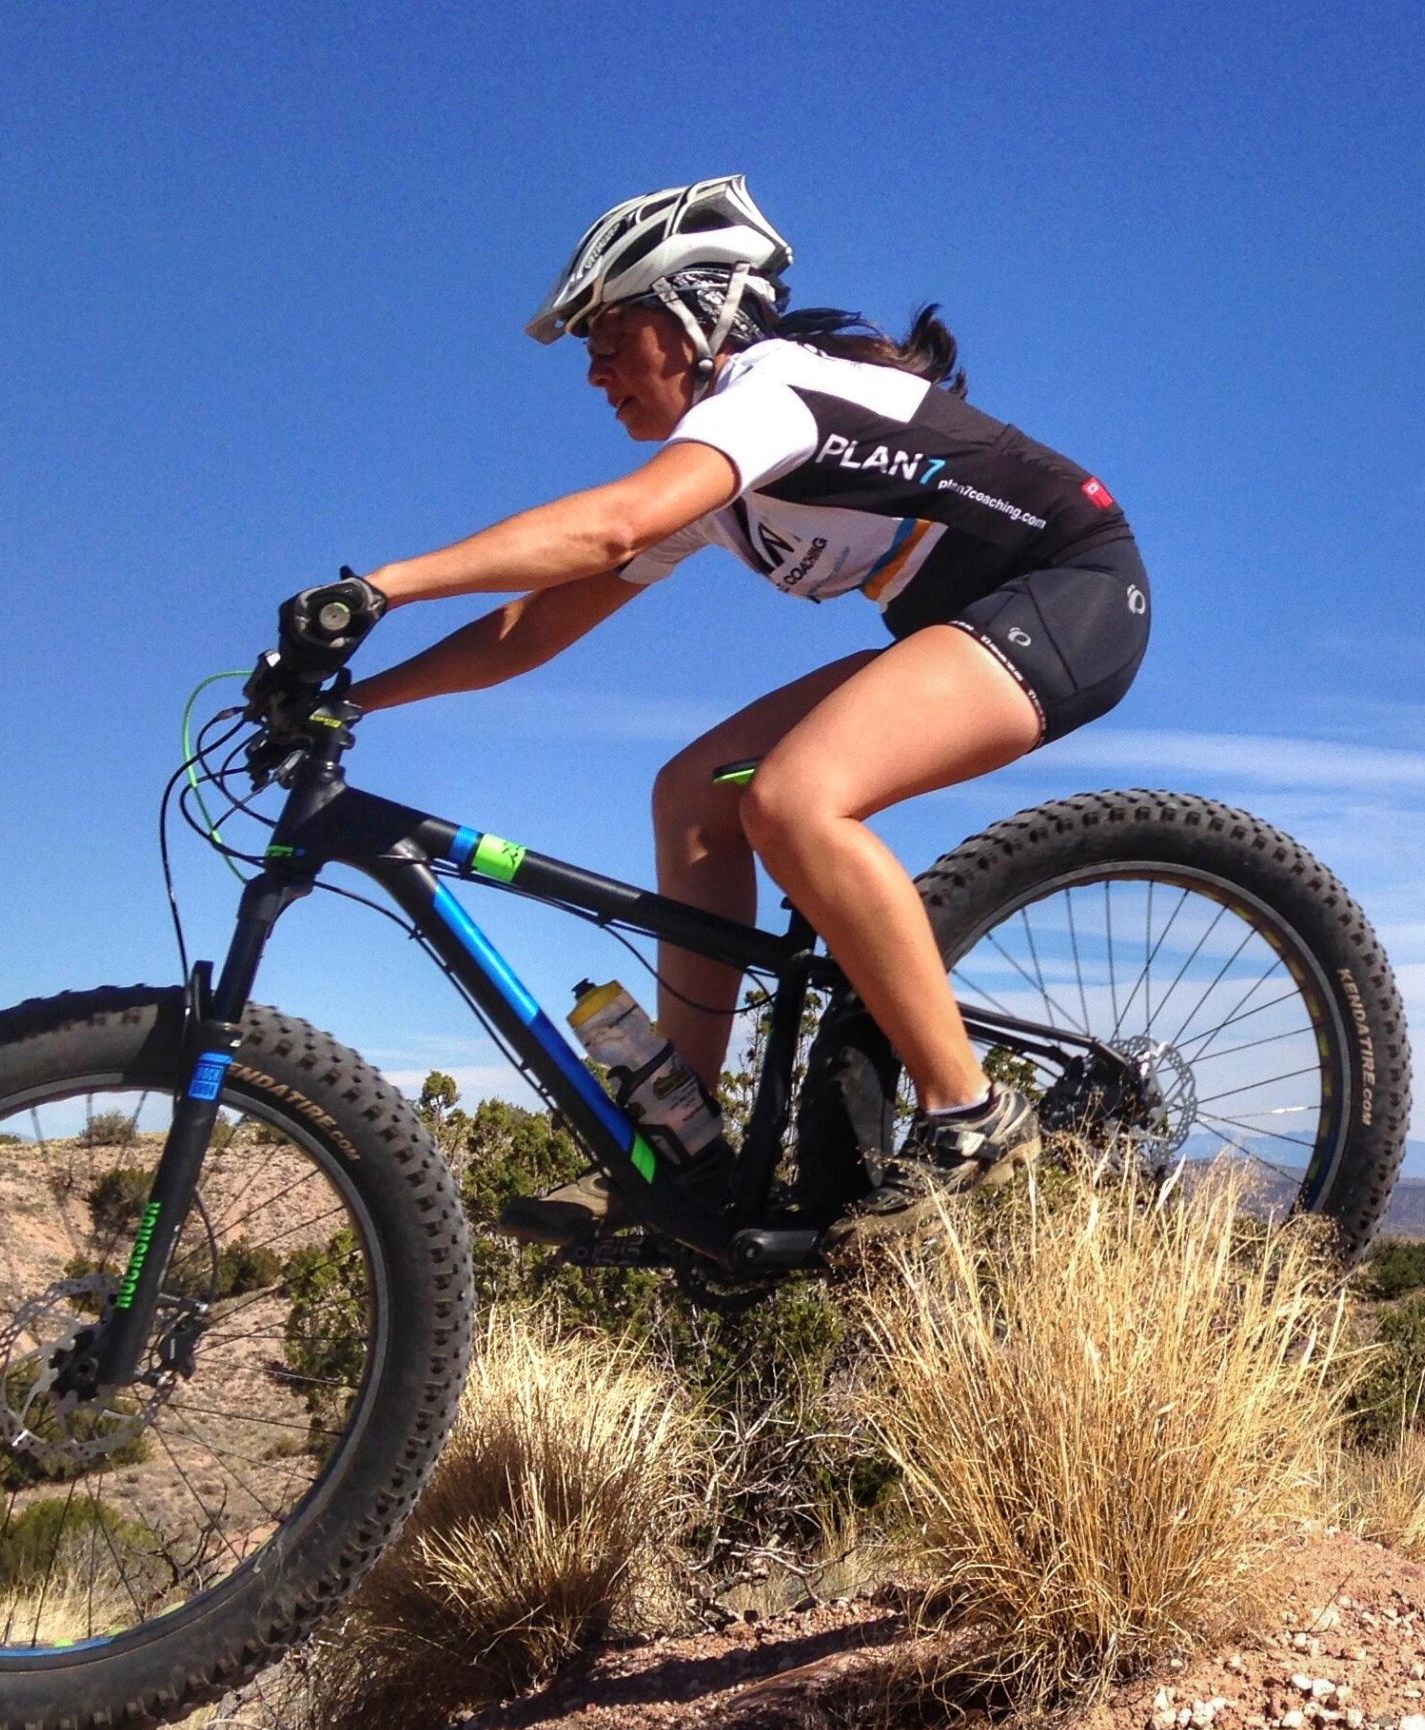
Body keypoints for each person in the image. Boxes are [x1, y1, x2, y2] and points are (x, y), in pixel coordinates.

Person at [301, 177, 1150, 1240]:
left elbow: (609, 529)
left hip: (1072, 586)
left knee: (795, 799)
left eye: (610, 331)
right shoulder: (722, 487)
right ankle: (686, 1144)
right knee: (694, 798)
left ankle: (972, 1116)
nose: (595, 368)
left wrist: (380, 584)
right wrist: (354, 702)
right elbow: (535, 627)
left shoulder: (772, 391)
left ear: (697, 314)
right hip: (960, 614)